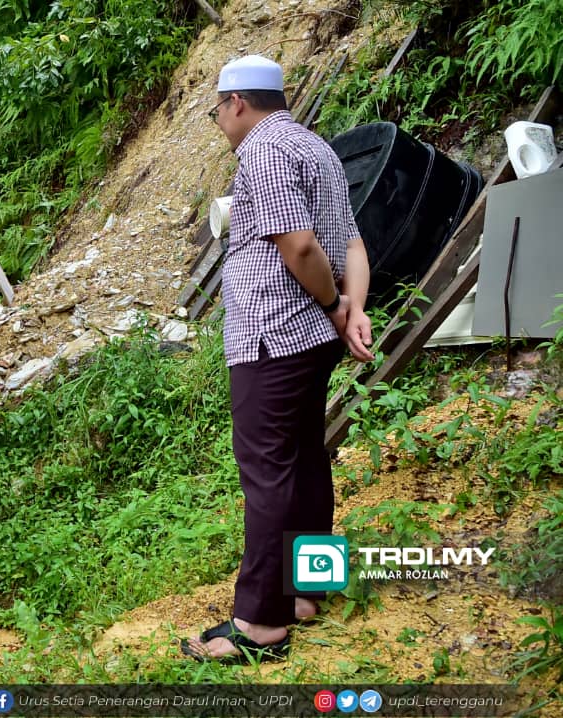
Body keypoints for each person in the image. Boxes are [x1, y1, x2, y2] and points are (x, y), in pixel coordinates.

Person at [181, 56, 374, 663]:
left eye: (217, 108)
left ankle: (261, 625)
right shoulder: (317, 148)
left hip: (271, 334)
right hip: (311, 337)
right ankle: (309, 590)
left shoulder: (262, 152)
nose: (218, 119)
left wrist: (336, 299)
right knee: (306, 459)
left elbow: (300, 246)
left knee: (267, 472)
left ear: (236, 102)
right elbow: (352, 242)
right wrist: (352, 308)